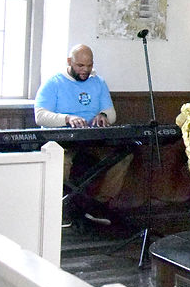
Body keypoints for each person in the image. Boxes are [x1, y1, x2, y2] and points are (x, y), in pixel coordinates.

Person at [34, 44, 125, 226]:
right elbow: (40, 115)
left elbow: (111, 113)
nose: (85, 70)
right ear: (69, 62)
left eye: (89, 66)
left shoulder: (98, 82)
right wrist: (67, 118)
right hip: (62, 142)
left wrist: (103, 115)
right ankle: (60, 209)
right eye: (80, 66)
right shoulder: (54, 83)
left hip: (93, 141)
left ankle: (97, 205)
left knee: (122, 158)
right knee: (61, 163)